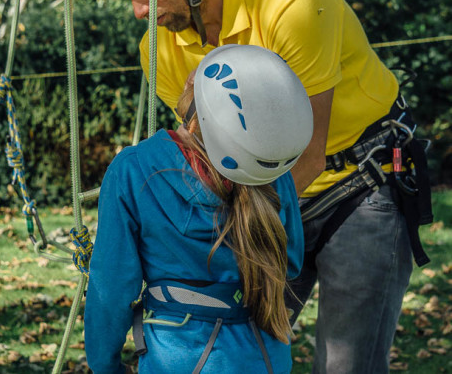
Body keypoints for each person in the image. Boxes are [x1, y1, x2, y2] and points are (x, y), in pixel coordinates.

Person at [85, 0, 434, 373]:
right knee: (239, 339)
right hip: (269, 197)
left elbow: (307, 151)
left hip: (357, 185)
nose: (138, 9)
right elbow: (209, 162)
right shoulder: (160, 51)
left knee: (347, 365)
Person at [84, 44, 314, 373]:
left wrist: (104, 365)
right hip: (265, 353)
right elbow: (290, 262)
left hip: (181, 356)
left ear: (197, 115)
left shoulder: (134, 170)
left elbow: (111, 290)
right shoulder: (272, 174)